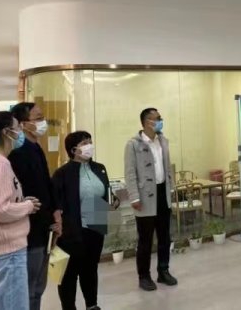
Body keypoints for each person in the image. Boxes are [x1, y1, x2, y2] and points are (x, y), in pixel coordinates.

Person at [52, 131, 119, 310]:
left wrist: (113, 201)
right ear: (73, 150)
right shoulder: (62, 173)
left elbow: (106, 192)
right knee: (69, 273)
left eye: (90, 141)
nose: (89, 146)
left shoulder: (99, 168)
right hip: (72, 229)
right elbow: (56, 203)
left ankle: (92, 304)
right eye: (84, 143)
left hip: (95, 224)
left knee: (90, 269)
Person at [9, 102, 63, 310]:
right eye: (38, 118)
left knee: (39, 285)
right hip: (29, 230)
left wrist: (55, 215)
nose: (43, 122)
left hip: (44, 228)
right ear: (23, 124)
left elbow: (46, 186)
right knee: (29, 287)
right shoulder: (17, 153)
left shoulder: (36, 148)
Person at [0, 110, 41, 310]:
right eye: (18, 127)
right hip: (6, 252)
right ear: (6, 132)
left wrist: (20, 202)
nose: (20, 132)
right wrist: (27, 206)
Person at [124, 108, 177, 291]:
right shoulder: (133, 144)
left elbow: (167, 168)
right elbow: (130, 173)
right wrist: (134, 197)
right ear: (147, 122)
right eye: (157, 118)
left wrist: (171, 189)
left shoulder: (162, 140)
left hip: (162, 193)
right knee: (145, 240)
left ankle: (163, 271)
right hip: (145, 196)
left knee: (164, 236)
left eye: (160, 118)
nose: (160, 121)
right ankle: (144, 276)